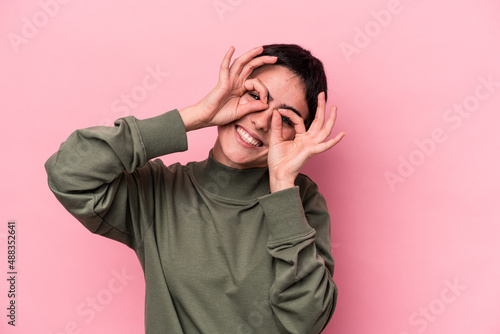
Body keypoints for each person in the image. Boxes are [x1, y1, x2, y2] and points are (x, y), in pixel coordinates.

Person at [45, 44, 345, 334]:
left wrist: (281, 188)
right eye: (254, 95)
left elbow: (307, 321)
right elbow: (68, 173)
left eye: (285, 118)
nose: (262, 121)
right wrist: (196, 116)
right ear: (229, 92)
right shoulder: (158, 191)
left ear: (300, 135)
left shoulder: (300, 200)